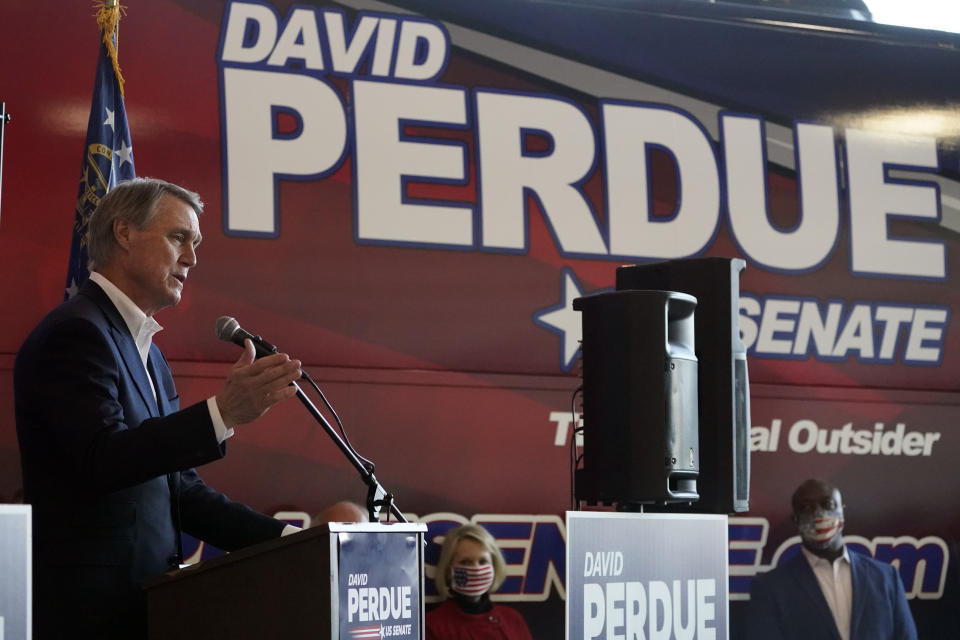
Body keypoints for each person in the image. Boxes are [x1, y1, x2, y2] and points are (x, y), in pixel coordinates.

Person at [14, 178, 304, 639]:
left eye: (195, 243)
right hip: (85, 615)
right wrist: (222, 413)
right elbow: (102, 459)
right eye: (179, 237)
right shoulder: (76, 334)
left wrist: (296, 544)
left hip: (148, 608)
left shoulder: (147, 351)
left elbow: (178, 492)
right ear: (125, 233)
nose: (192, 257)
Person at [744, 478, 918, 640]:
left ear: (842, 511)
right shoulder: (770, 588)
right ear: (795, 520)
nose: (819, 513)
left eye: (828, 504)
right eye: (806, 507)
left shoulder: (885, 577)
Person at [426, 523, 533, 640]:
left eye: (482, 561)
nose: (476, 569)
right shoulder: (432, 626)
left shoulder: (512, 619)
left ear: (494, 565)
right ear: (448, 569)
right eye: (465, 562)